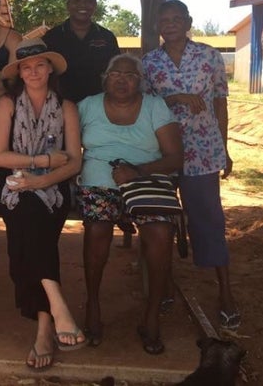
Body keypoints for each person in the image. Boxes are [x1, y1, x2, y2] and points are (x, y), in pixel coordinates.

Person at [141, 0, 240, 330]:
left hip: (203, 149)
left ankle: (225, 294)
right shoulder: (150, 62)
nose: (170, 24)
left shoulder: (210, 56)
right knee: (161, 220)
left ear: (188, 22)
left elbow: (220, 104)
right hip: (162, 151)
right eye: (164, 20)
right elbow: (145, 106)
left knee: (208, 219)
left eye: (176, 19)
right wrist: (177, 98)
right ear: (158, 26)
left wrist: (225, 148)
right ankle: (163, 285)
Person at [77, 53, 183, 355]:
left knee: (161, 233)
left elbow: (175, 157)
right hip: (100, 181)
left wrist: (138, 171)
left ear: (141, 81)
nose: (122, 79)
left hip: (147, 180)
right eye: (115, 73)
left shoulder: (154, 106)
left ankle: (150, 316)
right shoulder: (87, 106)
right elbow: (70, 145)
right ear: (105, 78)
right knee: (97, 229)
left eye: (130, 75)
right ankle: (93, 304)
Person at [0, 38, 85, 371]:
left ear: (50, 69)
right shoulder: (8, 104)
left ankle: (45, 326)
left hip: (53, 186)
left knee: (27, 236)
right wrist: (41, 160)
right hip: (9, 181)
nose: (33, 72)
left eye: (40, 65)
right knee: (31, 217)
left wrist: (41, 180)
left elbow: (74, 162)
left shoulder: (67, 107)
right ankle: (55, 309)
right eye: (26, 67)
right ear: (19, 72)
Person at [42, 0, 120, 103]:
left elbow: (116, 73)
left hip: (99, 107)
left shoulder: (107, 37)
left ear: (95, 5)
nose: (83, 5)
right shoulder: (52, 37)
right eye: (77, 0)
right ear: (68, 5)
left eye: (89, 1)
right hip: (60, 106)